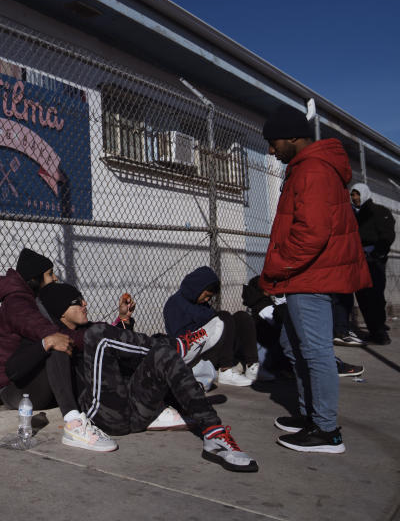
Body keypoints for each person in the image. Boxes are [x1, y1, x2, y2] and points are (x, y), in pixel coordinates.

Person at [37, 281, 258, 472]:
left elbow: (117, 350)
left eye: (83, 299)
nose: (84, 303)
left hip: (137, 411)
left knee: (161, 353)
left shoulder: (93, 329)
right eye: (77, 301)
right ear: (61, 311)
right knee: (102, 336)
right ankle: (179, 345)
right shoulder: (61, 339)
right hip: (105, 416)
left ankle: (215, 435)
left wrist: (123, 320)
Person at [260, 105, 370, 453]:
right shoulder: (307, 168)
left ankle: (326, 430)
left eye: (273, 142)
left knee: (315, 352)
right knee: (297, 348)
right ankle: (311, 416)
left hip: (309, 277)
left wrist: (278, 266)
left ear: (292, 137)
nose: (270, 150)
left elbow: (313, 233)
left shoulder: (313, 170)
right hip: (304, 276)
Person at [163, 266, 259, 386]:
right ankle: (225, 370)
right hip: (195, 352)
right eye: (206, 295)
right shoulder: (175, 304)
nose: (207, 299)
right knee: (223, 317)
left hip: (213, 346)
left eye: (210, 297)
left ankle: (252, 366)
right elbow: (179, 337)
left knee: (241, 317)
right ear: (197, 289)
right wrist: (208, 324)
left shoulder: (201, 304)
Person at [350, 182, 395, 345]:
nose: (355, 198)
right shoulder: (352, 214)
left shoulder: (378, 212)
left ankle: (379, 331)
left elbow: (387, 234)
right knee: (363, 295)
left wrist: (377, 254)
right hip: (358, 259)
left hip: (373, 260)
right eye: (352, 194)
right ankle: (375, 329)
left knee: (375, 295)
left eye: (357, 194)